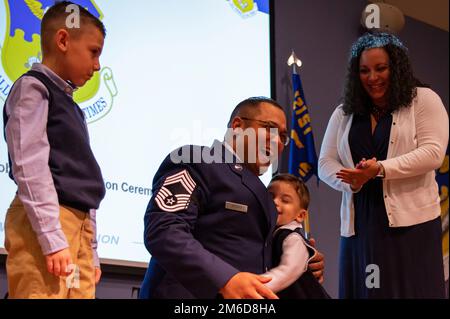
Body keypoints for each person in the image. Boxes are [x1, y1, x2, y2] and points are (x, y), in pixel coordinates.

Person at [140, 97, 325, 299]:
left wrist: (302, 260)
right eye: (269, 129)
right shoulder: (196, 160)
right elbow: (164, 231)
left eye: (282, 136)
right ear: (238, 126)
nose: (278, 141)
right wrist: (224, 278)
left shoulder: (265, 195)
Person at [318, 32, 448, 298]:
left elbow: (433, 153)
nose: (372, 77)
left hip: (412, 226)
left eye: (381, 68)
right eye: (364, 70)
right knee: (368, 291)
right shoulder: (345, 112)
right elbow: (325, 162)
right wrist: (349, 179)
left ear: (396, 67)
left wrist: (380, 169)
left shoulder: (423, 100)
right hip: (361, 225)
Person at [2, 1, 106, 298]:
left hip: (78, 225)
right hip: (48, 221)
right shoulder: (33, 88)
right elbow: (30, 165)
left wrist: (92, 248)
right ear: (63, 40)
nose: (97, 65)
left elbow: (84, 185)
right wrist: (52, 237)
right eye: (93, 51)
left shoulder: (72, 107)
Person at [263, 174, 330, 299]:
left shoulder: (292, 238)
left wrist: (258, 285)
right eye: (270, 196)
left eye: (285, 200)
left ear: (300, 215)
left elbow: (289, 270)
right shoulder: (271, 234)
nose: (274, 202)